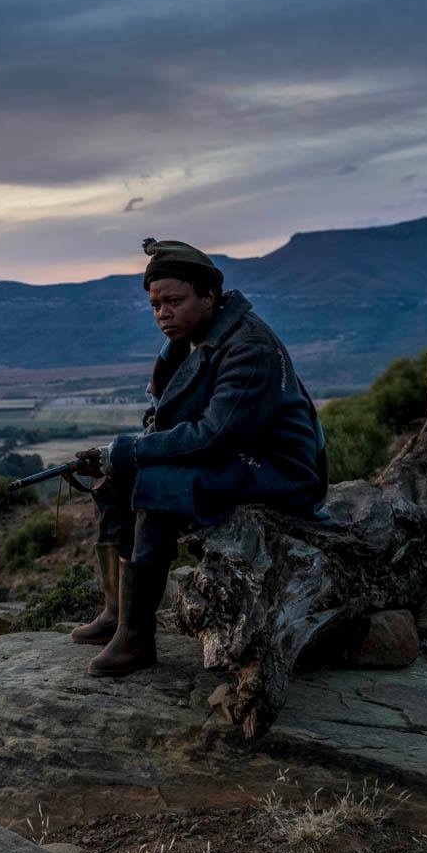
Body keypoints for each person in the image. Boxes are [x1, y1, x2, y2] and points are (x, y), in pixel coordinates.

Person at [71, 238, 327, 677]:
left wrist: (132, 450)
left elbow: (215, 435)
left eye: (175, 301)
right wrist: (120, 458)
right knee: (114, 480)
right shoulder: (191, 340)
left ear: (209, 296)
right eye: (155, 305)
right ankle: (119, 613)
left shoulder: (249, 347)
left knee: (156, 486)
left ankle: (136, 641)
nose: (162, 314)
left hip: (278, 469)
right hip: (235, 455)